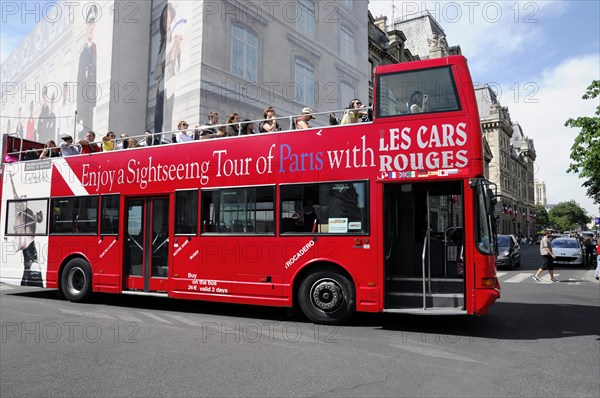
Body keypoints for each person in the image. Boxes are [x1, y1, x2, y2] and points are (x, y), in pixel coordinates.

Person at [154, 2, 183, 138]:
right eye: (164, 18)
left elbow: (179, 66)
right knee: (158, 120)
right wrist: (167, 59)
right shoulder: (162, 43)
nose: (166, 21)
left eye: (168, 17)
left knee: (168, 118)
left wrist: (176, 52)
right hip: (160, 88)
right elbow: (156, 71)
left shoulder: (176, 38)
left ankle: (166, 140)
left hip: (171, 84)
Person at [9, 174, 44, 287]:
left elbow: (40, 219)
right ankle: (32, 283)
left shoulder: (29, 214)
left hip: (28, 245)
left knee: (28, 266)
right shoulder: (24, 212)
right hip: (28, 246)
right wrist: (11, 180)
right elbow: (15, 195)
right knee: (32, 265)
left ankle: (25, 283)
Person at [76, 4, 98, 137]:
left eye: (93, 24)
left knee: (90, 131)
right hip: (84, 102)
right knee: (84, 133)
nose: (91, 28)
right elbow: (80, 80)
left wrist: (94, 101)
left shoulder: (94, 48)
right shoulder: (83, 50)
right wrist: (81, 108)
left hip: (91, 100)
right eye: (89, 24)